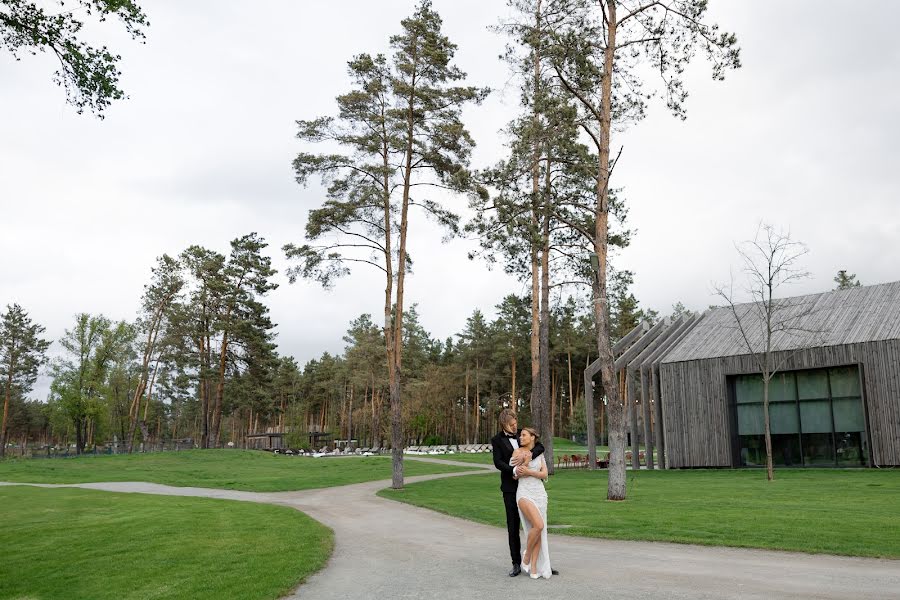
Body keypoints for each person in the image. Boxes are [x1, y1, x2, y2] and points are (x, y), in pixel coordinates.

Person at [491, 408, 544, 577]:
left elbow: (540, 446)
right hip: (510, 488)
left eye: (516, 423)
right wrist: (514, 470)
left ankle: (541, 563)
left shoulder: (523, 434)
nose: (516, 427)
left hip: (529, 487)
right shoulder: (497, 440)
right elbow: (498, 462)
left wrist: (529, 455)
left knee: (536, 525)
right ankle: (516, 563)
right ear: (504, 424)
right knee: (513, 527)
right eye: (512, 425)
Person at [513, 427, 551, 579]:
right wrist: (522, 467)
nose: (520, 438)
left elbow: (545, 474)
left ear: (532, 437)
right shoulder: (517, 452)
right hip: (524, 493)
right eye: (520, 435)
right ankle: (527, 555)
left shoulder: (539, 452)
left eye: (524, 435)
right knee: (539, 525)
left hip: (540, 494)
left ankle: (534, 566)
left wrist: (529, 472)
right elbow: (515, 474)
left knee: (538, 530)